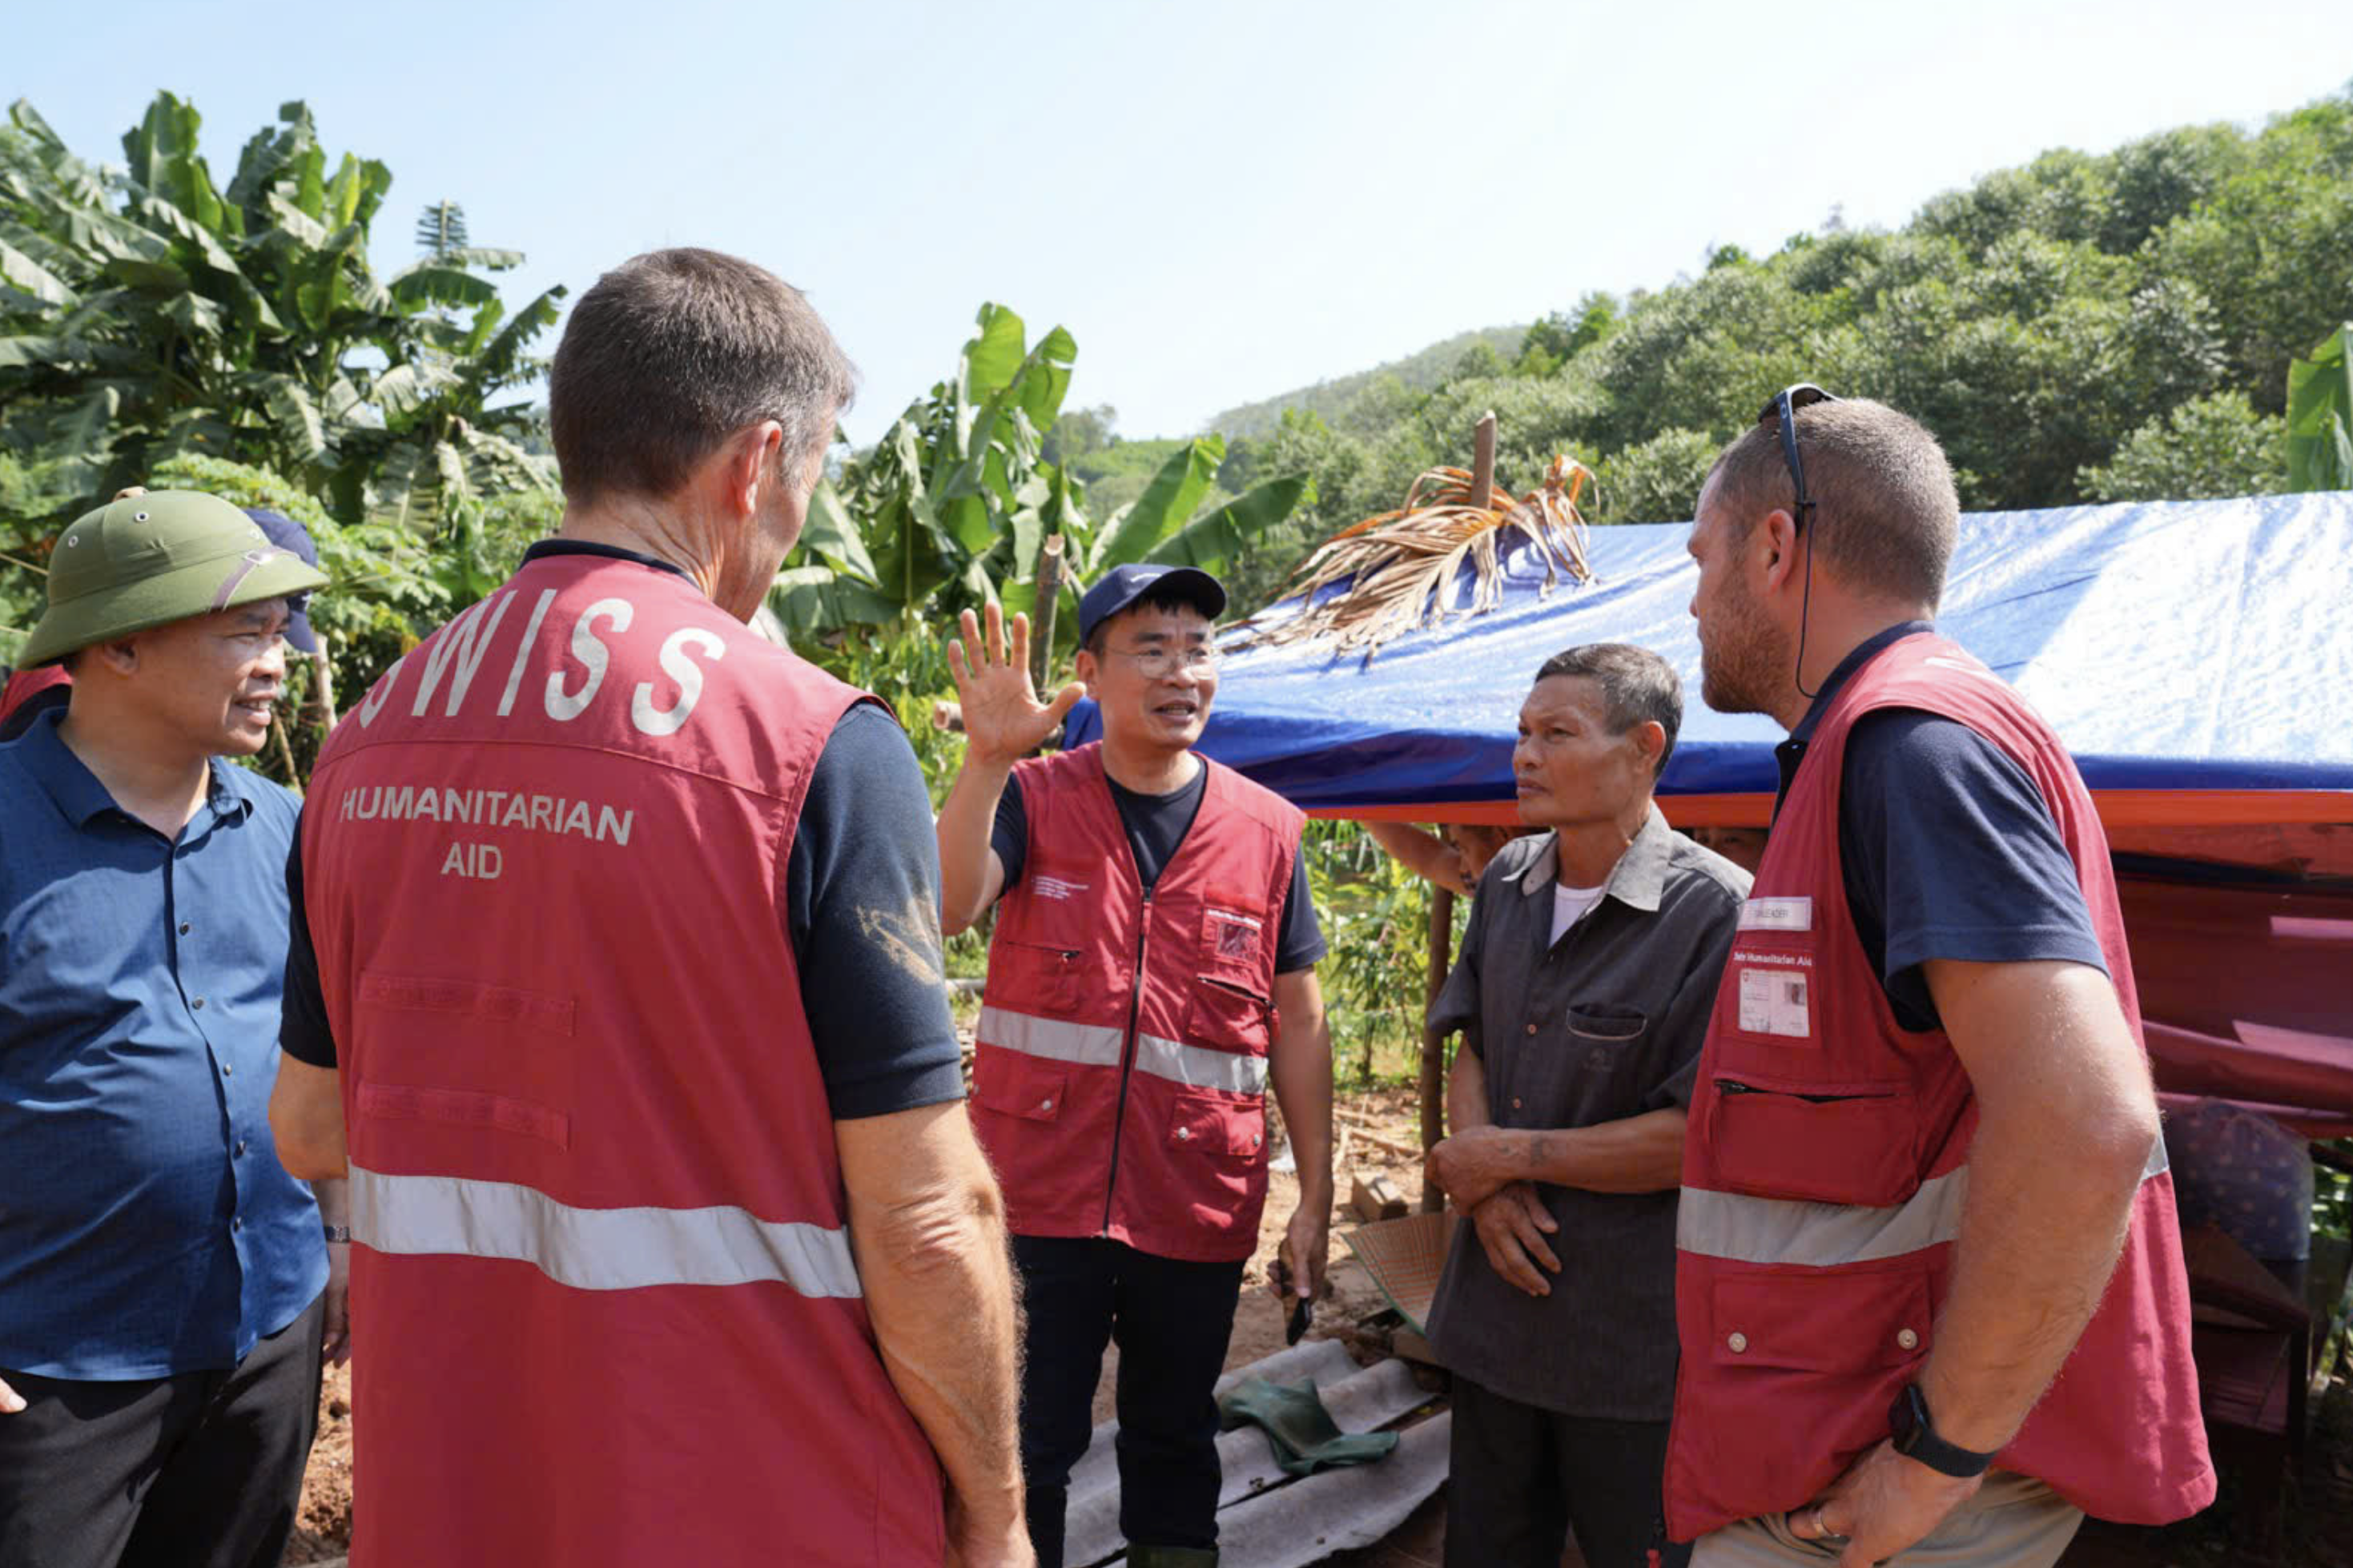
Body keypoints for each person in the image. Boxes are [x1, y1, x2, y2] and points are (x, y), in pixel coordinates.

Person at [267, 248, 1031, 1568]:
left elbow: (311, 1121)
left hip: (455, 1487)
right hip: (758, 1491)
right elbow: (921, 1217)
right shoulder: (808, 741)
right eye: (809, 481)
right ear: (755, 462)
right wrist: (999, 1511)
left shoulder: (368, 737)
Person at [1671, 388, 2214, 1566]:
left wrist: (1933, 1459)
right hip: (1846, 1452)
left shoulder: (1912, 747)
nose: (1693, 598)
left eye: (1702, 556)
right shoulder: (1897, 739)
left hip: (1889, 1489)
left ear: (1776, 548)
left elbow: (2084, 1121)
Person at [938, 569, 1336, 1568]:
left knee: (1174, 1443)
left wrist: (1318, 1193)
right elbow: (947, 905)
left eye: (1198, 647)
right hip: (1037, 1197)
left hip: (1193, 1199)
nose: (1181, 670)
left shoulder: (1267, 830)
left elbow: (1298, 1020)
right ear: (1089, 674)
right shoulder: (1031, 799)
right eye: (1151, 648)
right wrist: (986, 759)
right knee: (1029, 1446)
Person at [0, 489, 345, 1568]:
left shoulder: (284, 828)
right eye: (242, 629)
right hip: (53, 1372)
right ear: (121, 646)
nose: (279, 658)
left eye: (282, 628)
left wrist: (340, 1246)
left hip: (267, 1337)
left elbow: (318, 1055)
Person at [1419, 643, 1748, 1568]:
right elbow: (1473, 1039)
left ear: (1644, 747)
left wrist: (1504, 1159)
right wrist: (1484, 1189)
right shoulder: (1509, 882)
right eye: (1522, 732)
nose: (1524, 755)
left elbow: (1697, 1137)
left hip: (1628, 1342)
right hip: (1494, 1322)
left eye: (1556, 733)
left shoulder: (1715, 915)